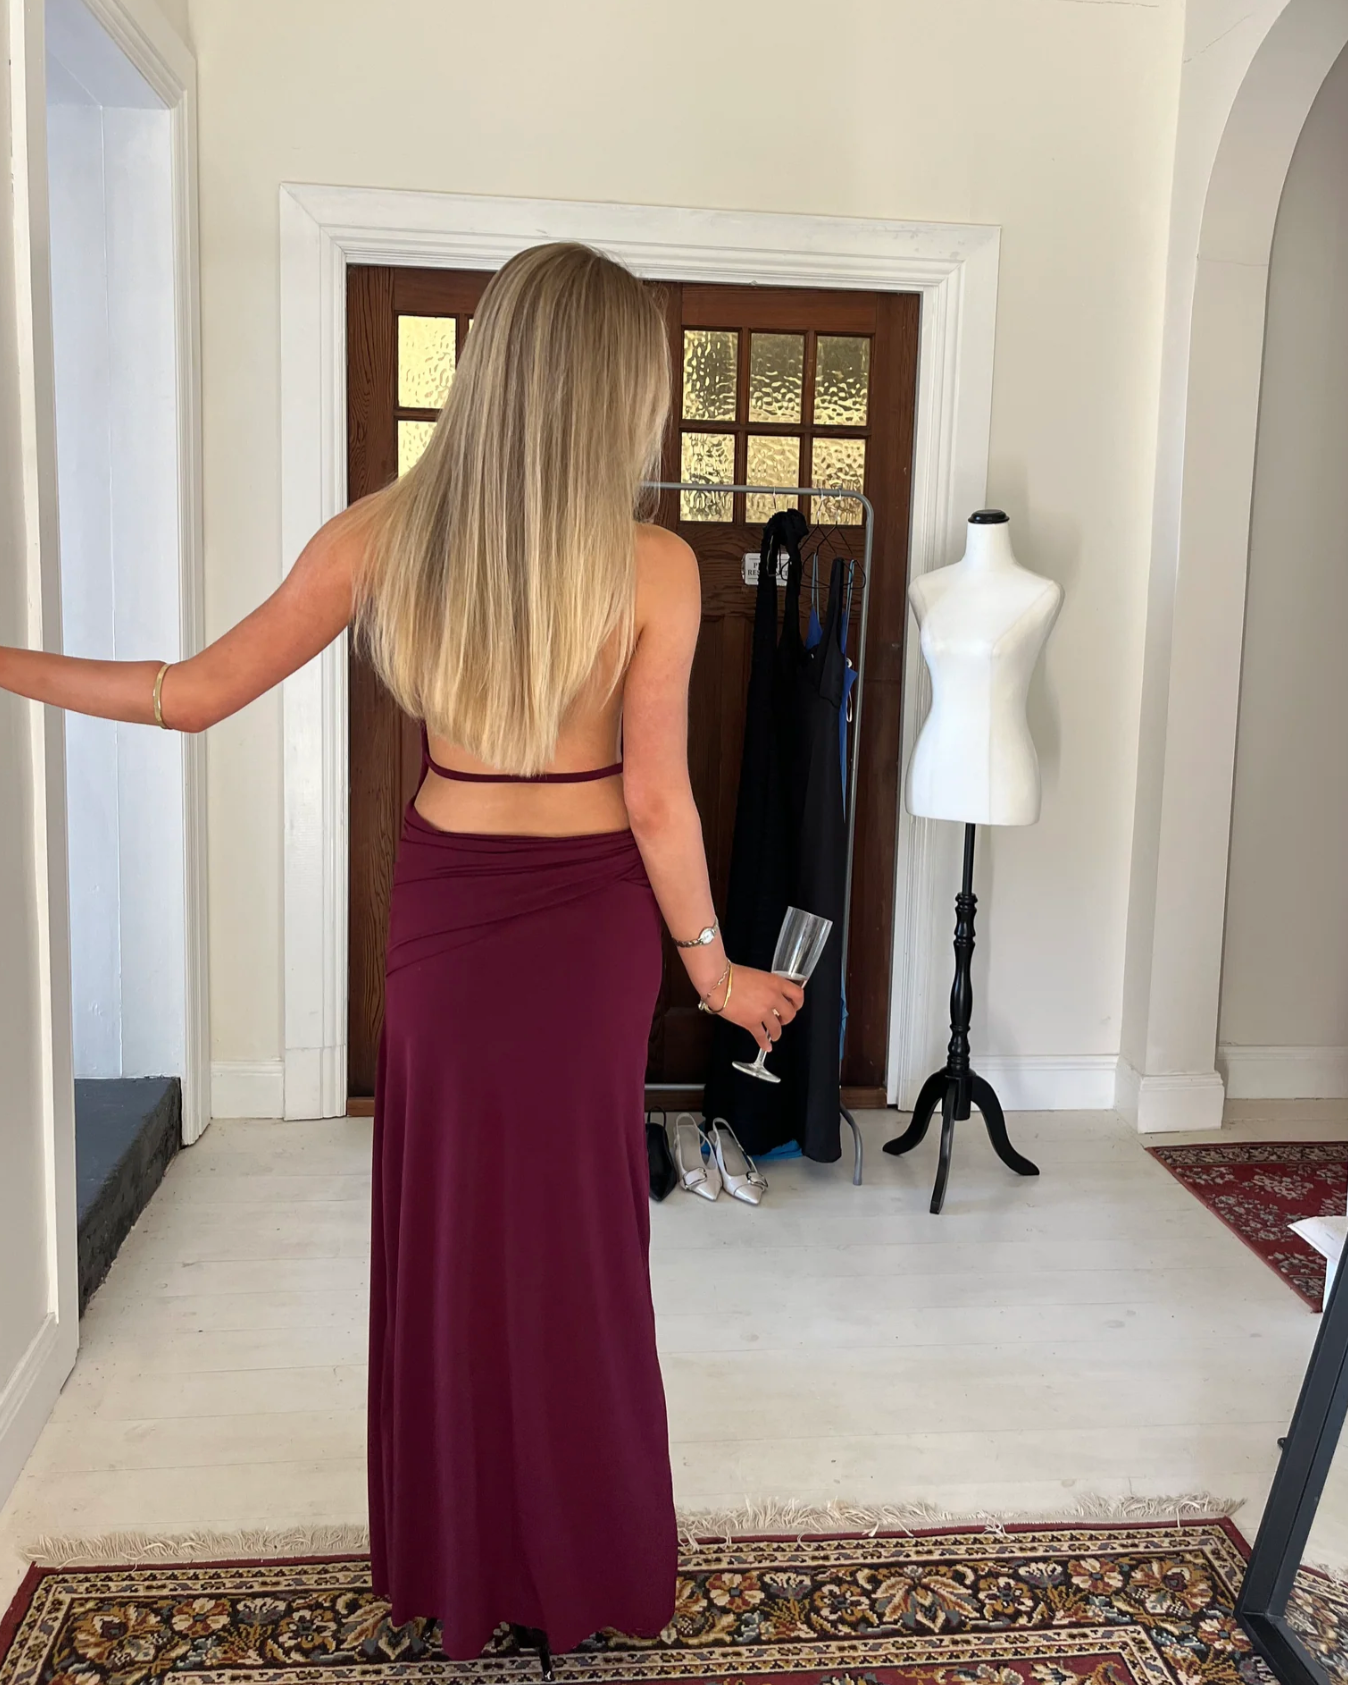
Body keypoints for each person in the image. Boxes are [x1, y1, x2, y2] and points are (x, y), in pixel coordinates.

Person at [0, 241, 804, 1669]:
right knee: (578, 1248)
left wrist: (4, 661)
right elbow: (659, 800)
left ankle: (457, 1558)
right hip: (586, 931)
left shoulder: (383, 535)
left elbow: (188, 694)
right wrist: (716, 975)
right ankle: (576, 1558)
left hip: (445, 916)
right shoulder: (652, 565)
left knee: (450, 1236)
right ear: (616, 392)